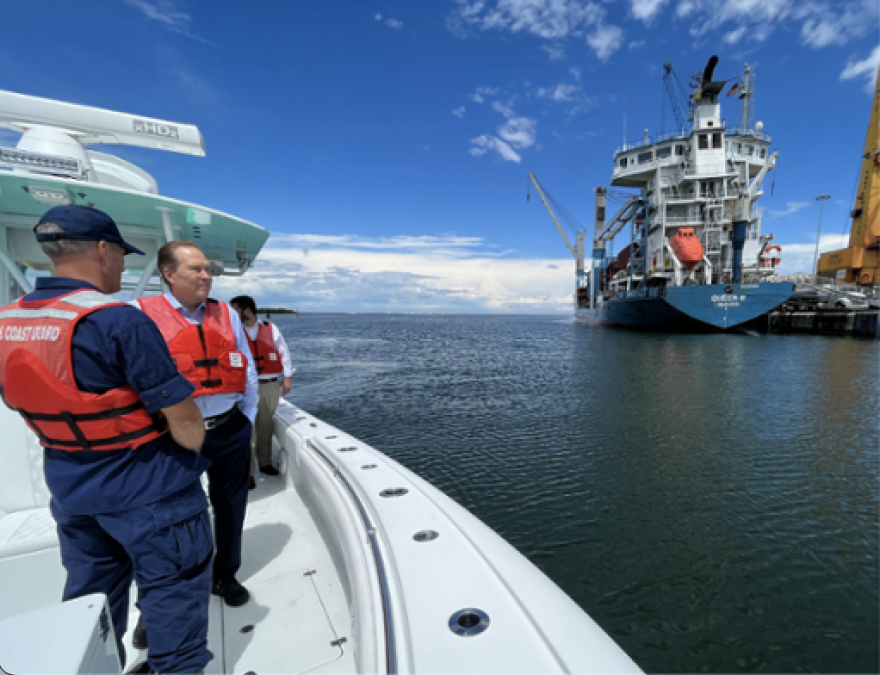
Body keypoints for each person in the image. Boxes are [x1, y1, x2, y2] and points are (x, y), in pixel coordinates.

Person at [0, 206, 212, 674]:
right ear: (102, 249)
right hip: (150, 491)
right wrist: (194, 451)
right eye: (121, 254)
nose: (123, 265)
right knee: (175, 596)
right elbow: (184, 418)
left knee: (91, 603)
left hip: (73, 490)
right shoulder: (118, 321)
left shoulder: (7, 321)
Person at [136, 240, 258, 615]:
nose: (206, 275)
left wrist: (247, 420)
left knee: (231, 505)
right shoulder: (138, 315)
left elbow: (246, 367)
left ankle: (225, 574)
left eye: (208, 269)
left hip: (228, 426)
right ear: (168, 274)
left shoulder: (228, 315)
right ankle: (165, 596)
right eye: (197, 269)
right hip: (169, 432)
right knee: (168, 515)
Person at [229, 296, 293, 482]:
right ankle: (248, 473)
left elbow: (284, 352)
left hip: (270, 385)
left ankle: (265, 463)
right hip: (244, 387)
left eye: (235, 310)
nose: (232, 314)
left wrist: (287, 378)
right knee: (247, 430)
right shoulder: (234, 331)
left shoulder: (271, 329)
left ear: (247, 311)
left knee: (265, 426)